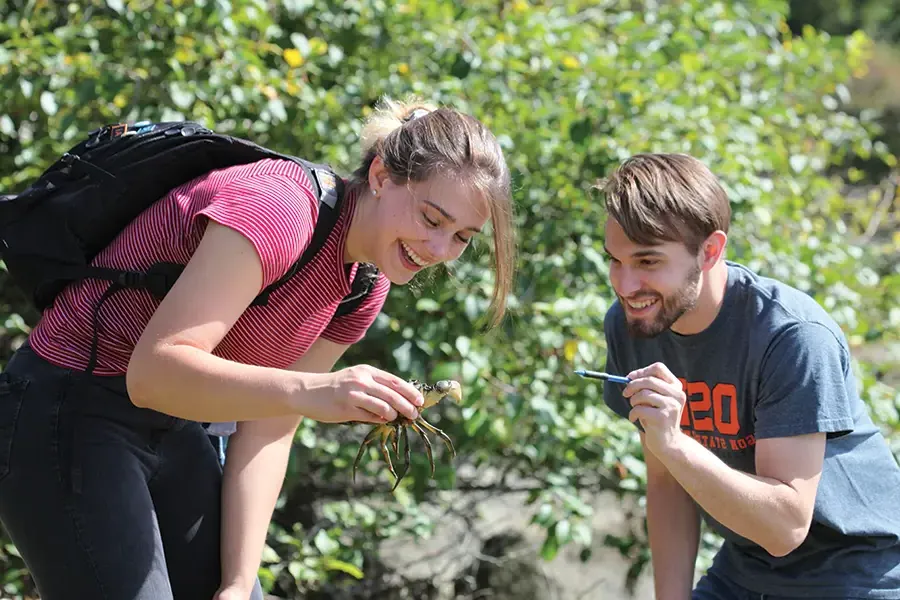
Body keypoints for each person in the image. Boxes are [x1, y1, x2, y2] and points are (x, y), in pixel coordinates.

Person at [0, 96, 516, 600]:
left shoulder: (364, 283)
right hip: (63, 409)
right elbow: (153, 371)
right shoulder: (279, 210)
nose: (440, 251)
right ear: (381, 177)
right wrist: (311, 389)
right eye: (432, 219)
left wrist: (238, 583)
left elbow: (269, 425)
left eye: (463, 237)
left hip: (170, 426)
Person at [596, 153, 900, 599]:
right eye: (615, 261)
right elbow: (666, 480)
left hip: (859, 572)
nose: (625, 286)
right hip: (746, 568)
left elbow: (785, 527)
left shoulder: (791, 336)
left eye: (647, 262)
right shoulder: (635, 324)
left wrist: (675, 444)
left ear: (710, 250)